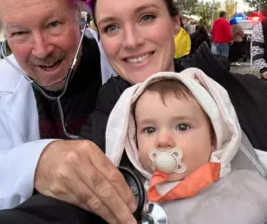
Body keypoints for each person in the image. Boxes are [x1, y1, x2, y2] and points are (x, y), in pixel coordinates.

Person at [0, 0, 267, 223]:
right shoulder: (109, 120)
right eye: (112, 27)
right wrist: (38, 162)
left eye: (146, 17)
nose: (131, 42)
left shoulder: (246, 93)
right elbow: (60, 206)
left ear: (175, 22)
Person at [0, 0, 137, 224]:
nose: (41, 50)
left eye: (53, 24)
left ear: (79, 17)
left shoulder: (124, 66)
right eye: (19, 34)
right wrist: (38, 162)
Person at [105, 69, 267, 224]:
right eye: (149, 130)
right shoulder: (134, 196)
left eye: (182, 127)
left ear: (213, 137)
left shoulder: (243, 183)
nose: (162, 140)